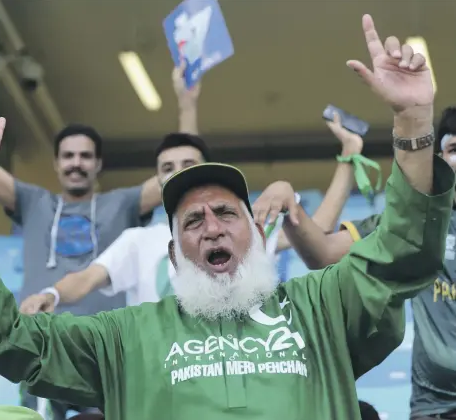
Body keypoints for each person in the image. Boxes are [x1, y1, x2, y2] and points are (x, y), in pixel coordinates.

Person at [0, 14, 451, 419]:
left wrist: (413, 120)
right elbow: (6, 337)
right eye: (192, 221)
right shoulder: (125, 337)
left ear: (255, 231)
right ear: (172, 252)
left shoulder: (321, 309)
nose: (211, 225)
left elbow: (404, 252)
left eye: (227, 212)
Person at [0, 44, 192, 419]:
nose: (77, 163)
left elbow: (184, 170)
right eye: (69, 156)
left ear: (98, 164)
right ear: (57, 164)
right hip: (39, 348)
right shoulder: (33, 201)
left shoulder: (121, 204)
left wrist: (187, 100)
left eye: (85, 156)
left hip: (103, 352)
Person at [18, 104, 365, 315]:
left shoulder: (245, 226)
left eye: (188, 164)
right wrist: (52, 294)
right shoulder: (137, 241)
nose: (178, 172)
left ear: (205, 170)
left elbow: (319, 229)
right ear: (157, 178)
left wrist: (350, 155)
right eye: (168, 167)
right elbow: (85, 279)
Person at [289, 107, 456, 420]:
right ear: (440, 160)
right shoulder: (413, 224)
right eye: (453, 149)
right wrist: (288, 205)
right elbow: (322, 252)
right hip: (434, 410)